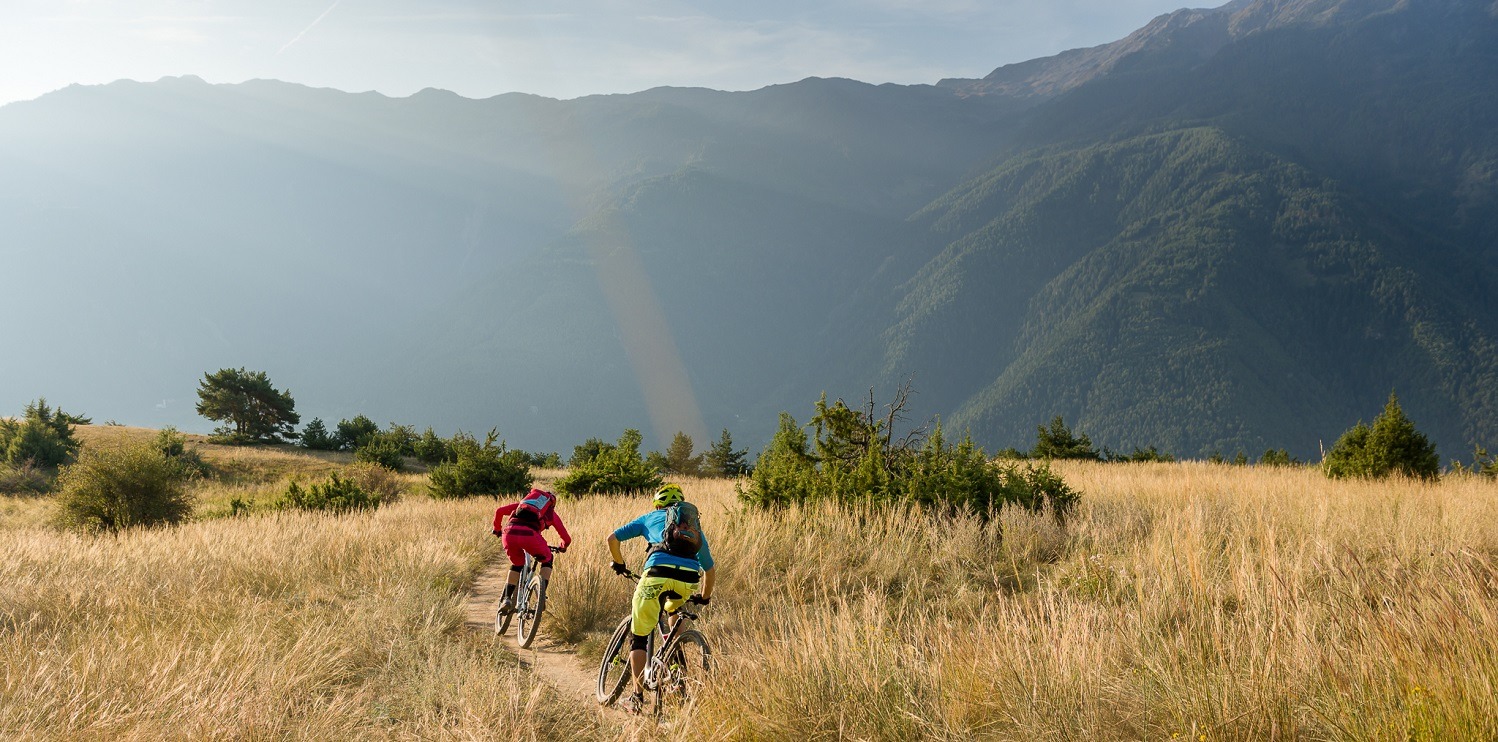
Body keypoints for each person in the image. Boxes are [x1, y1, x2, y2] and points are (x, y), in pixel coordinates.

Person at [606, 483, 715, 713]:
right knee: (673, 609)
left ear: (657, 504)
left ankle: (636, 698)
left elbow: (612, 538)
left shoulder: (649, 517)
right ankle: (674, 657)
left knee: (639, 636)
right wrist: (704, 597)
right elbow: (710, 569)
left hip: (655, 575)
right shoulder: (693, 528)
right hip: (687, 580)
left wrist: (619, 563)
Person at [493, 487, 571, 615]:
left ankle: (506, 599)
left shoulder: (522, 505)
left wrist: (497, 529)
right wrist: (562, 546)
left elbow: (499, 511)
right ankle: (541, 596)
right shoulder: (550, 513)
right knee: (548, 559)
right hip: (530, 536)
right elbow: (566, 538)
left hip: (509, 533)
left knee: (517, 564)